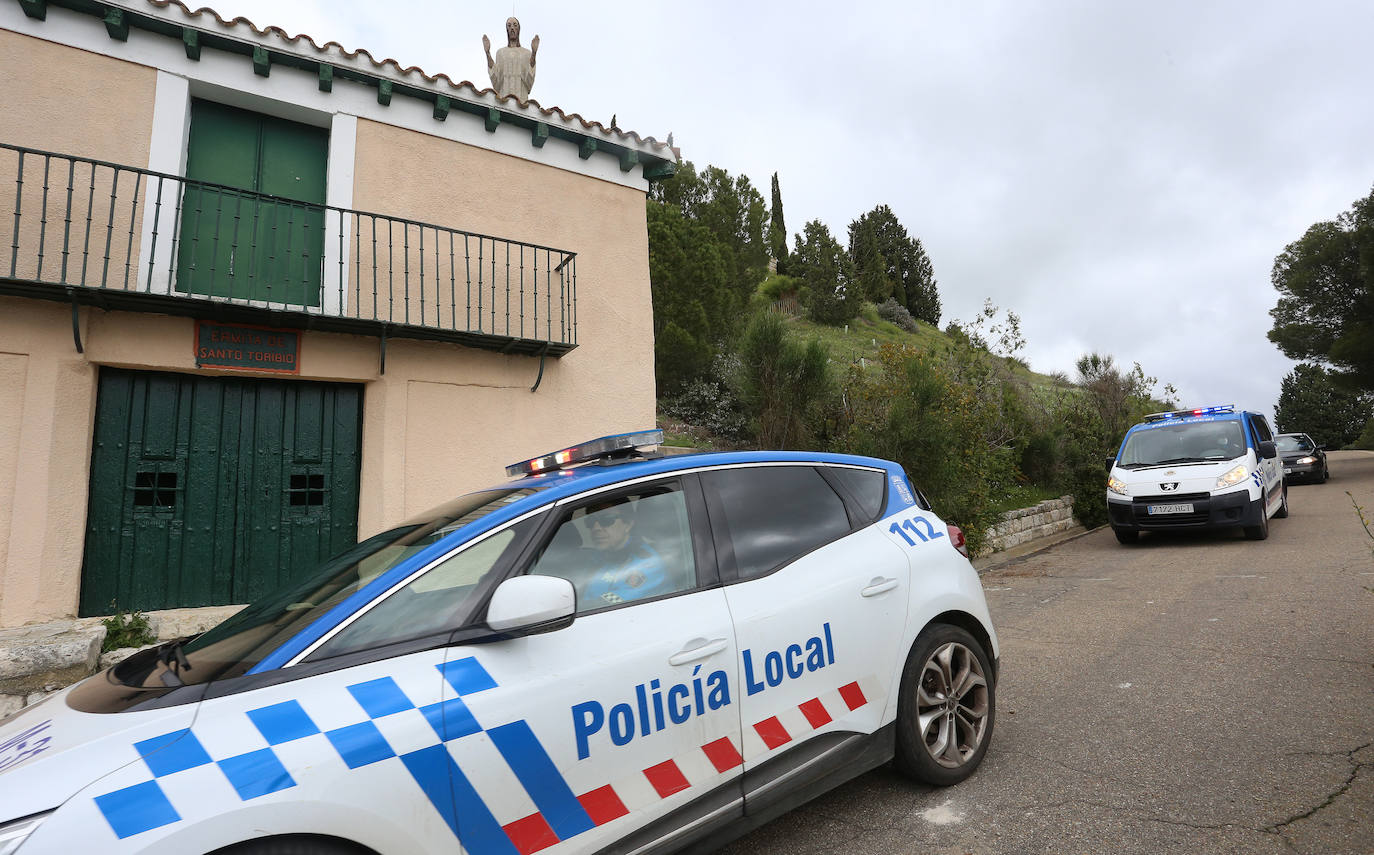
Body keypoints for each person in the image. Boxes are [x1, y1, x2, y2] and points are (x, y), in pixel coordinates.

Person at [579, 498, 668, 607]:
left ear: (628, 524)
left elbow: (607, 605)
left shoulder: (648, 565)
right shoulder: (596, 558)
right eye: (591, 522)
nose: (596, 528)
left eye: (606, 520)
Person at [482, 17, 539, 102]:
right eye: (509, 26)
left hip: (521, 101)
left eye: (515, 25)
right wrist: (488, 53)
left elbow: (529, 80)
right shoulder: (501, 53)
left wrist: (534, 53)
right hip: (504, 100)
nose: (512, 28)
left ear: (519, 29)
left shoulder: (526, 53)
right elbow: (496, 80)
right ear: (507, 30)